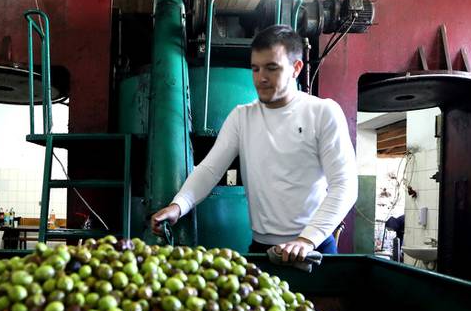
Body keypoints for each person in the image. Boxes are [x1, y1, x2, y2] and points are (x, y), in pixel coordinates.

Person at [150, 24, 357, 262]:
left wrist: (307, 239)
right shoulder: (242, 116)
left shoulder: (322, 112)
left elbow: (345, 185)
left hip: (313, 247)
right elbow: (209, 169)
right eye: (255, 69)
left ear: (296, 68)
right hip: (262, 248)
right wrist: (179, 205)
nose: (261, 78)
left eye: (272, 68)